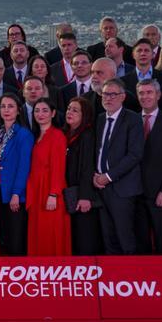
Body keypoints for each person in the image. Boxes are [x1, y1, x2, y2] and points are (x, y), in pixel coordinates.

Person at [92, 79, 144, 254]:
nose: (108, 98)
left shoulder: (133, 119)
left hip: (122, 188)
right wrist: (96, 175)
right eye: (105, 94)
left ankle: (130, 276)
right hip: (100, 188)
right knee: (108, 237)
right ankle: (112, 277)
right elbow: (97, 151)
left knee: (125, 237)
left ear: (122, 97)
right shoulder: (99, 119)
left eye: (113, 94)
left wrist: (107, 176)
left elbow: (135, 155)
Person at [135, 80, 162, 253]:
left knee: (161, 239)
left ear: (158, 95)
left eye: (149, 92)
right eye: (141, 93)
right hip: (134, 193)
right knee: (140, 239)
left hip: (159, 194)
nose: (145, 97)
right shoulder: (130, 121)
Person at [25, 98, 70, 256]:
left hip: (50, 190)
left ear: (53, 113)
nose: (40, 114)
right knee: (38, 231)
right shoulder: (36, 136)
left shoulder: (57, 136)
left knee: (50, 232)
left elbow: (58, 168)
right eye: (37, 110)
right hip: (36, 191)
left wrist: (53, 194)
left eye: (45, 110)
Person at [0, 93, 33, 256]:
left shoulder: (23, 134)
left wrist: (17, 193)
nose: (6, 110)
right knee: (4, 235)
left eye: (10, 106)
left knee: (16, 238)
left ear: (18, 111)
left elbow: (24, 167)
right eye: (3, 106)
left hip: (14, 193)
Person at [62, 97, 102, 254]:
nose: (69, 112)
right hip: (69, 194)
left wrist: (85, 196)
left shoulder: (87, 134)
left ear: (84, 114)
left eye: (75, 110)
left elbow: (87, 167)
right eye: (68, 109)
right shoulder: (65, 133)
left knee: (85, 239)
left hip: (83, 196)